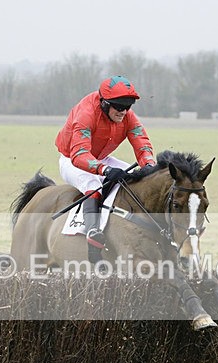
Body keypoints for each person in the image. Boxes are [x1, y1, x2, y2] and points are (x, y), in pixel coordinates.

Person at [55, 75, 156, 262]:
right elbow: (79, 155)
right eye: (119, 106)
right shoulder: (86, 114)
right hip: (72, 160)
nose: (123, 111)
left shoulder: (127, 115)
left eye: (128, 106)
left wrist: (149, 166)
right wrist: (105, 170)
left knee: (138, 178)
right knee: (93, 183)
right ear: (104, 103)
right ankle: (93, 231)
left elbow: (142, 144)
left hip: (101, 158)